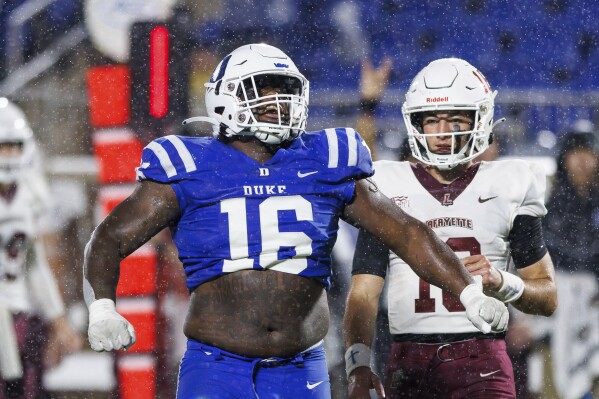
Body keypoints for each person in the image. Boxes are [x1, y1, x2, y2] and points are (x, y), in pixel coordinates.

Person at [83, 44, 509, 399]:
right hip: (216, 366)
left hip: (301, 368)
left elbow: (407, 232)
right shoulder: (190, 163)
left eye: (285, 91)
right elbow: (110, 237)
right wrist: (102, 306)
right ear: (226, 96)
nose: (279, 102)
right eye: (264, 91)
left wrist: (466, 293)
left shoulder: (323, 159)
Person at [343, 57, 558, 399]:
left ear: (480, 121)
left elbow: (547, 298)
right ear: (416, 123)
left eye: (456, 119)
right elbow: (364, 293)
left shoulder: (510, 183)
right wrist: (357, 363)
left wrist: (503, 283)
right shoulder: (387, 184)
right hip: (407, 363)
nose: (442, 133)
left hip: (483, 358)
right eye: (432, 121)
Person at [0, 98, 82, 398]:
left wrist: (59, 321)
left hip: (17, 313)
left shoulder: (26, 197)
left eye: (12, 146)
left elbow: (34, 265)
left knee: (24, 387)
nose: (7, 155)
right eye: (1, 146)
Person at [540, 126, 599, 399]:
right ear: (565, 157)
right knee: (556, 384)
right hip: (556, 302)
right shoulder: (547, 198)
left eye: (590, 153)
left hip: (594, 304)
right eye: (577, 152)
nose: (584, 160)